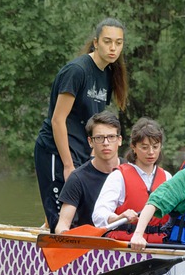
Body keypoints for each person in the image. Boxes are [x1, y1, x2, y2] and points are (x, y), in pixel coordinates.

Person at [33, 17, 128, 229]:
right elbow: (58, 120)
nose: (113, 48)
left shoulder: (107, 74)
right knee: (61, 217)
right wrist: (68, 166)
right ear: (96, 42)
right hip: (56, 151)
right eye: (107, 41)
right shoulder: (77, 71)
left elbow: (97, 123)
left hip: (83, 152)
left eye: (118, 43)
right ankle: (45, 243)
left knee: (83, 215)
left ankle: (46, 228)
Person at [93, 117, 172, 243]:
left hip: (159, 246)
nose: (151, 152)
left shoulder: (167, 177)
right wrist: (118, 217)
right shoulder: (119, 176)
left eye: (155, 147)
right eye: (144, 147)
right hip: (126, 246)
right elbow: (98, 214)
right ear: (133, 147)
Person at [54, 111, 123, 233]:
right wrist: (65, 236)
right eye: (99, 138)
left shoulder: (132, 171)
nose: (106, 143)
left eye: (111, 137)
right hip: (90, 246)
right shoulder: (77, 178)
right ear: (90, 142)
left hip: (128, 244)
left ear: (119, 140)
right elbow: (62, 225)